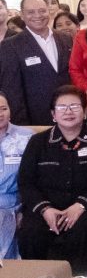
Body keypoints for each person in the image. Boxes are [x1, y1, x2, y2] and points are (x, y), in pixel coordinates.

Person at [17, 84, 87, 272]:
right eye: (62, 107)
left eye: (74, 106)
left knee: (83, 232)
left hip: (86, 208)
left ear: (85, 111)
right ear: (53, 114)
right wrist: (45, 209)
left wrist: (81, 205)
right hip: (45, 207)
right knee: (31, 233)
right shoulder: (38, 142)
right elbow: (26, 182)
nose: (68, 112)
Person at [0, 0, 72, 124]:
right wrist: (23, 127)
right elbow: (12, 91)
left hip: (68, 116)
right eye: (31, 12)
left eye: (42, 10)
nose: (38, 15)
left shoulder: (65, 39)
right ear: (22, 15)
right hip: (35, 121)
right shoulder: (10, 45)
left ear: (49, 11)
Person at [0, 91, 32, 258]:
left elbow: (35, 176)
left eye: (3, 108)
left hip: (17, 202)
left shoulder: (26, 137)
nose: (0, 114)